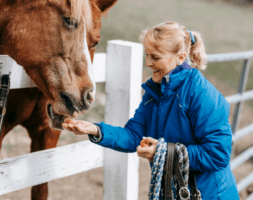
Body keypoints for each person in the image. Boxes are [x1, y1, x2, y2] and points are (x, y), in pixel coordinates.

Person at [62, 21, 239, 199]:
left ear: (180, 57)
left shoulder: (202, 94)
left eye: (155, 57)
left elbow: (217, 153)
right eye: (147, 55)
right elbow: (134, 135)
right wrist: (96, 130)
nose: (148, 63)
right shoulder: (154, 93)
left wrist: (164, 152)